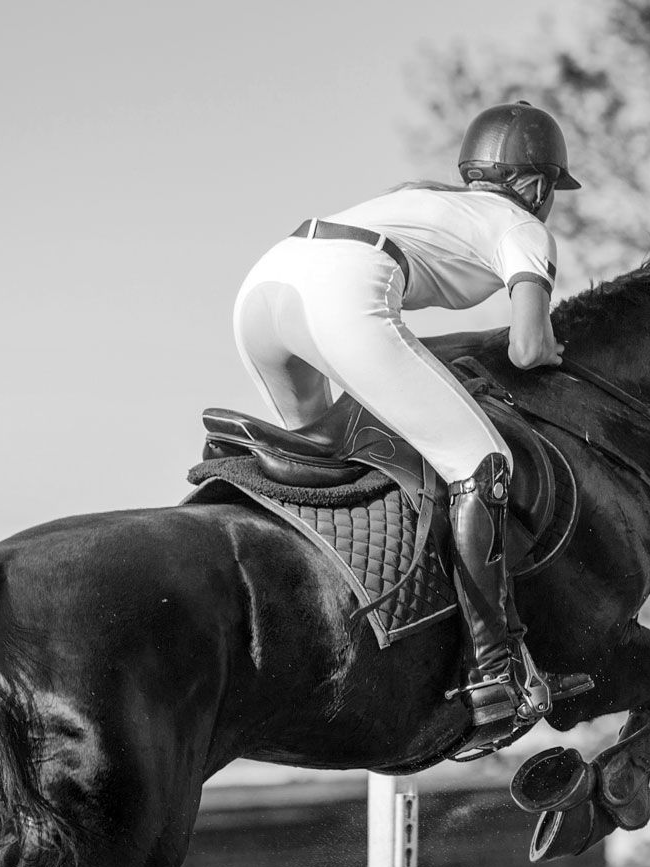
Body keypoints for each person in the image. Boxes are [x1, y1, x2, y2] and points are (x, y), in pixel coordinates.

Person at [232, 101, 581, 746]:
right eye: (551, 191)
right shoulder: (522, 227)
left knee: (327, 466)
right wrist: (553, 346)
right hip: (344, 293)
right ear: (534, 186)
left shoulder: (421, 197)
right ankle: (491, 675)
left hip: (265, 287)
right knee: (482, 467)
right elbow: (529, 350)